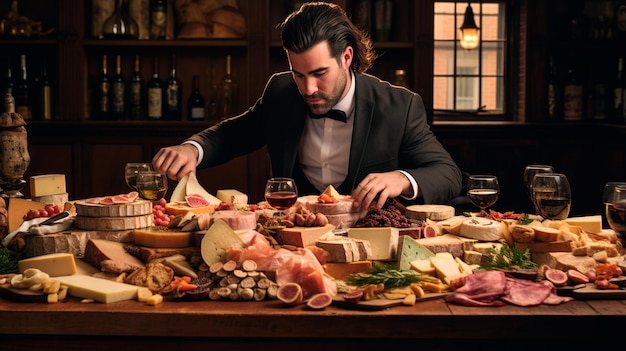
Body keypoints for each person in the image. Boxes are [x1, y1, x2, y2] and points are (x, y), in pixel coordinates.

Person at [152, 2, 462, 210]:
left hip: (370, 246)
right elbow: (235, 133)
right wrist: (192, 149)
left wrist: (400, 179)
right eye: (298, 74)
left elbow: (447, 173)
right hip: (293, 240)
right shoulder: (281, 91)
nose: (308, 88)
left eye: (319, 74)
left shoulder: (399, 106)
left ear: (347, 57)